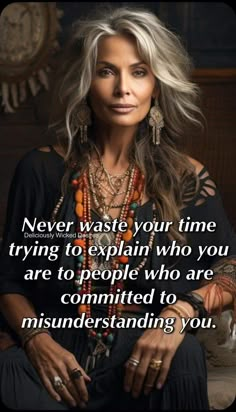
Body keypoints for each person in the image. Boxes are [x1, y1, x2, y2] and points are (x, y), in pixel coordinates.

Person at [0, 6, 235, 411]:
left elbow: (231, 268)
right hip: (51, 350)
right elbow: (8, 281)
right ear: (86, 82)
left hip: (146, 357)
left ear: (157, 85)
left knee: (184, 359)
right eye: (106, 71)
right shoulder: (39, 170)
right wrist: (36, 339)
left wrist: (178, 314)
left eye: (139, 72)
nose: (122, 88)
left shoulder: (189, 180)